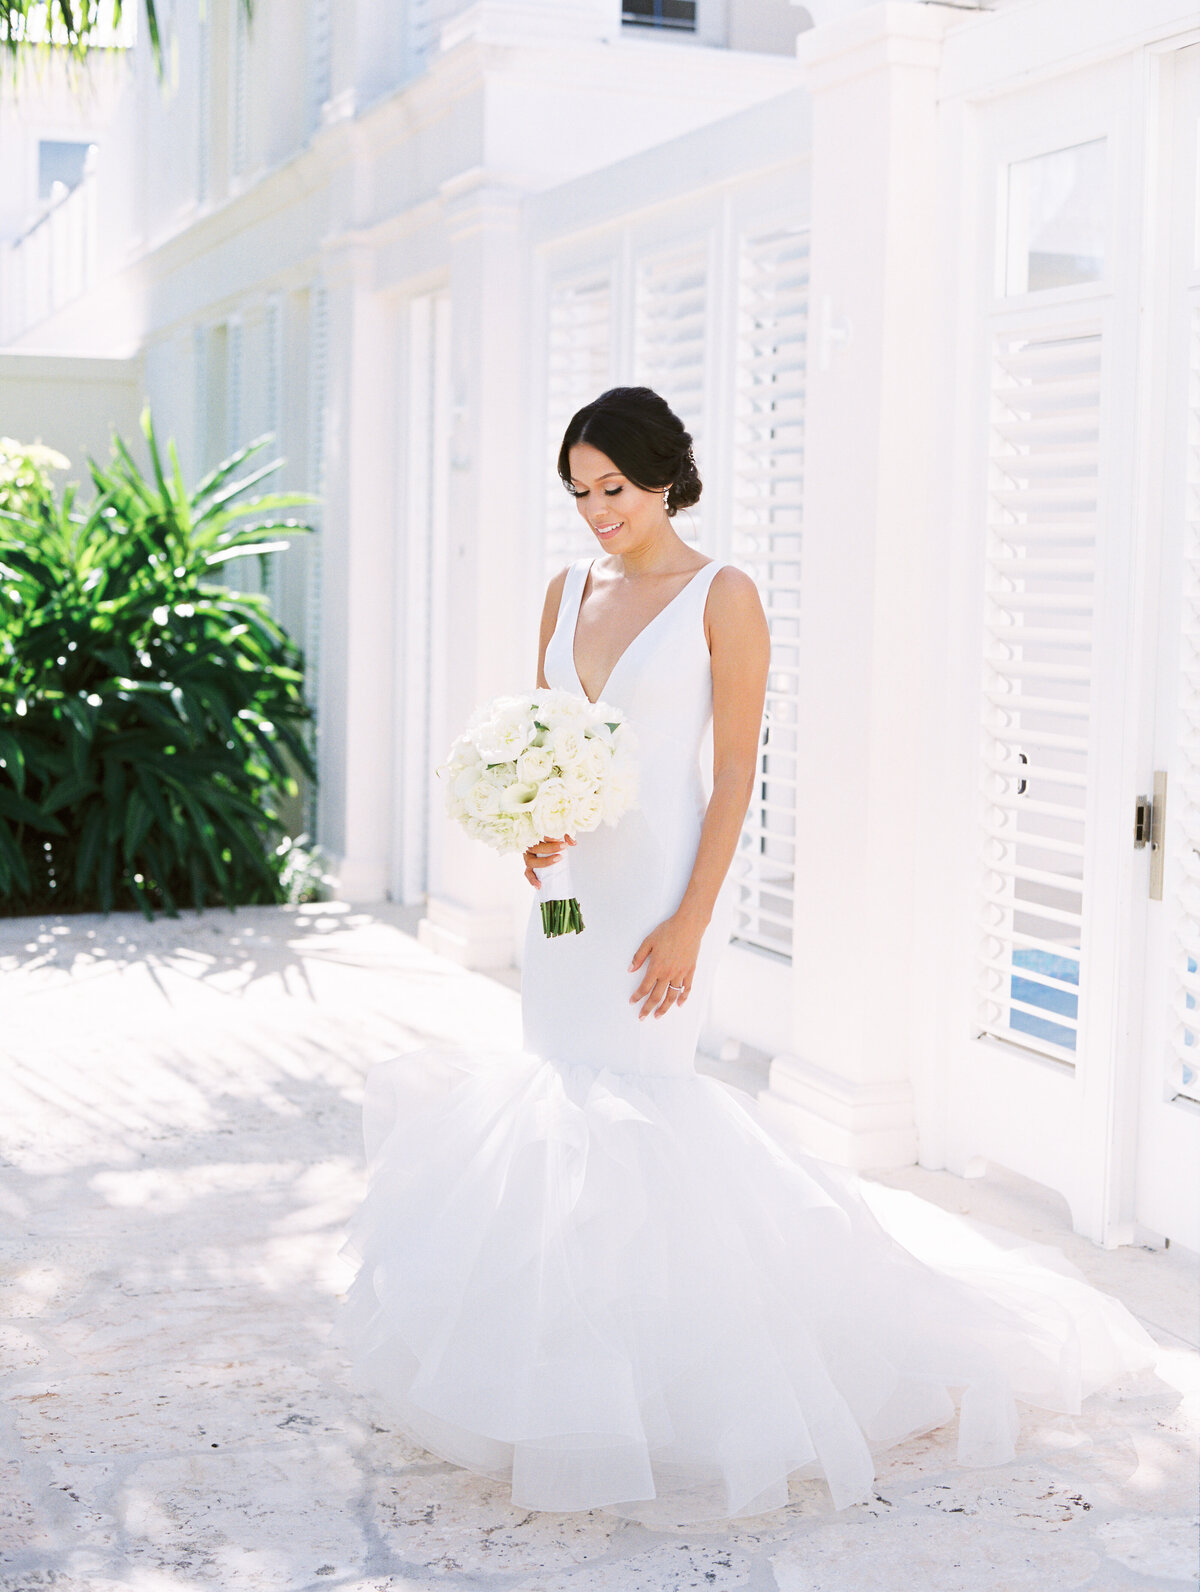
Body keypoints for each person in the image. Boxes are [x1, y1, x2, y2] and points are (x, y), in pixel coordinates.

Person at [335, 386, 1161, 1524]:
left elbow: (733, 776)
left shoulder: (724, 596)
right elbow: (544, 731)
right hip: (572, 893)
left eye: (613, 488)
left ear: (666, 475)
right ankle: (567, 1372)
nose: (596, 513)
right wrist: (534, 826)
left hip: (668, 888)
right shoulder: (564, 591)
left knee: (639, 1102)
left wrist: (688, 918)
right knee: (557, 1093)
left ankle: (672, 1381)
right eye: (578, 493)